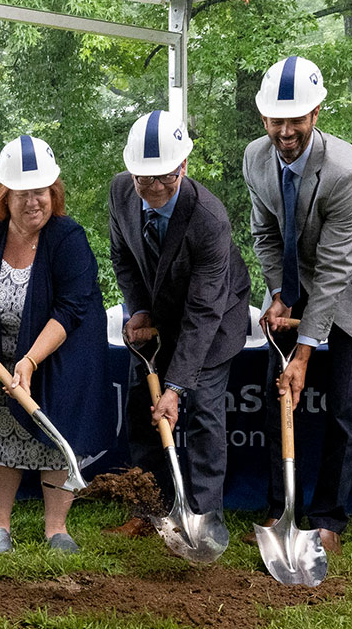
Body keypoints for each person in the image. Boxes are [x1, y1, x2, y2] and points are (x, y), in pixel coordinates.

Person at [243, 55, 352, 554]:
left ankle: (330, 517)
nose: (285, 130)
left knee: (345, 407)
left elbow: (336, 266)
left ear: (317, 113)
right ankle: (279, 507)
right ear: (263, 117)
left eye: (296, 118)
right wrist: (277, 295)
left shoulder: (348, 171)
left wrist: (306, 352)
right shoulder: (255, 157)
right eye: (276, 119)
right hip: (299, 281)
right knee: (278, 394)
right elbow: (265, 233)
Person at [0, 134, 107, 554]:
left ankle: (56, 528)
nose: (33, 201)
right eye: (23, 192)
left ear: (53, 191)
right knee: (0, 436)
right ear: (5, 193)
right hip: (0, 354)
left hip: (58, 354)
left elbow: (71, 309)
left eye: (41, 191)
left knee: (56, 436)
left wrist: (32, 360)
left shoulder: (67, 237)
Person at [107, 110, 250, 533]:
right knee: (141, 408)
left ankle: (205, 519)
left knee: (203, 409)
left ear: (183, 167)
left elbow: (203, 311)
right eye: (142, 178)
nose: (150, 188)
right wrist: (140, 310)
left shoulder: (209, 218)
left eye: (162, 178)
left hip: (214, 316)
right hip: (155, 314)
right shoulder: (120, 191)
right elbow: (123, 259)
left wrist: (175, 388)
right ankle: (149, 510)